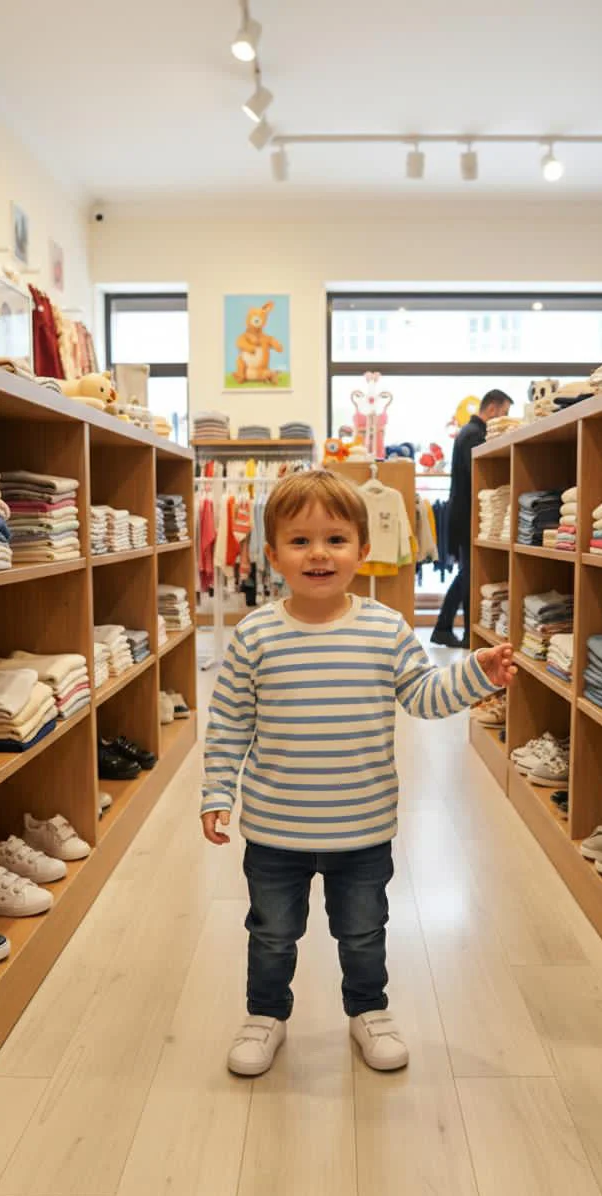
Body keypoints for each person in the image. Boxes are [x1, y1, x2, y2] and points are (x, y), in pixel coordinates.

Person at [201, 469, 516, 1077]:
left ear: (363, 551)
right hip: (274, 830)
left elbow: (423, 696)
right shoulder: (255, 634)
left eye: (335, 539)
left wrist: (476, 672)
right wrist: (217, 792)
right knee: (271, 933)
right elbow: (230, 723)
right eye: (300, 541)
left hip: (364, 826)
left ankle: (368, 1011)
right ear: (272, 555)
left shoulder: (384, 627)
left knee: (365, 931)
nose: (318, 553)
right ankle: (265, 1015)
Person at [430, 389, 513, 648]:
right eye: (504, 414)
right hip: (467, 514)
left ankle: (445, 628)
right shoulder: (474, 435)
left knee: (467, 572)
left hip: (464, 512)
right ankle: (465, 632)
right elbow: (477, 471)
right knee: (469, 574)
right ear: (492, 409)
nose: (504, 419)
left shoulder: (468, 432)